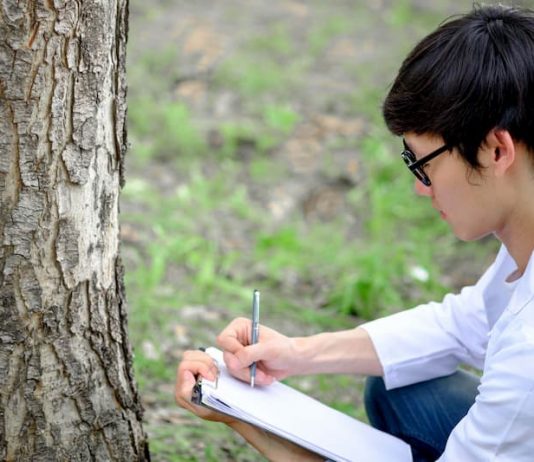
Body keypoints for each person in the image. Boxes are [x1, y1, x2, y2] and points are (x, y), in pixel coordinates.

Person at [175, 4, 534, 461]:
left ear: (497, 149)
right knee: (403, 390)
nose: (420, 189)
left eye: (423, 164)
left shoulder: (527, 355)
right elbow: (466, 323)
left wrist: (245, 419)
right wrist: (295, 352)